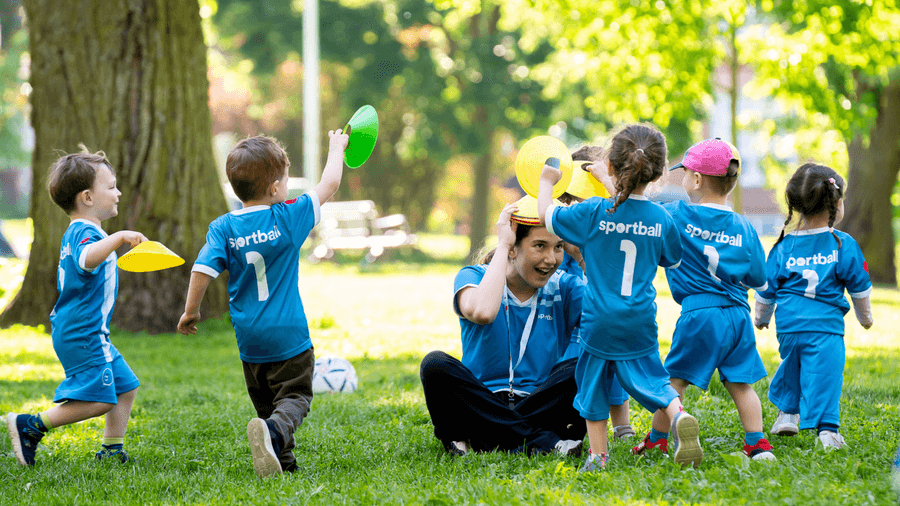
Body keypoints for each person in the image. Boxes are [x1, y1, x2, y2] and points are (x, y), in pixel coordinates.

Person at [177, 131, 349, 477]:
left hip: (250, 340)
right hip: (289, 335)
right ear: (274, 188)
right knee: (296, 397)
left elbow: (201, 270)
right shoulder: (287, 217)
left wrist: (191, 310)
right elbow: (329, 184)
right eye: (285, 180)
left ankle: (281, 462)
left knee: (267, 402)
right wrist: (335, 148)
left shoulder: (223, 228)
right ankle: (271, 433)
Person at [538, 123, 702, 472]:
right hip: (640, 319)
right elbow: (671, 258)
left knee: (593, 385)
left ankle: (598, 456)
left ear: (611, 167)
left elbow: (548, 218)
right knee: (654, 378)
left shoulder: (594, 212)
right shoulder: (661, 217)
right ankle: (678, 414)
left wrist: (546, 184)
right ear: (657, 172)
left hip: (598, 321)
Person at [634, 138, 775, 461]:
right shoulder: (744, 225)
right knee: (741, 384)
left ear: (696, 180)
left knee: (673, 383)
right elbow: (758, 278)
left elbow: (648, 230)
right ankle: (757, 443)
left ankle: (657, 438)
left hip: (699, 314)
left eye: (684, 173)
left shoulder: (673, 215)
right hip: (738, 315)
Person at [6, 148, 147, 466]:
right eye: (111, 186)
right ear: (87, 197)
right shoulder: (83, 232)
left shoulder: (87, 231)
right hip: (82, 331)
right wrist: (120, 236)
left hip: (88, 329)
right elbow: (86, 259)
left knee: (125, 387)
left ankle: (111, 451)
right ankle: (31, 425)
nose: (118, 192)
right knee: (98, 400)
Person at [419, 203, 588, 456]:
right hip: (479, 401)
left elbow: (612, 322)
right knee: (434, 365)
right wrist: (502, 245)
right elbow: (483, 313)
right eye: (539, 246)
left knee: (586, 364)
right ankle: (545, 442)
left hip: (540, 403)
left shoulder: (565, 286)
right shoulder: (473, 276)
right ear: (512, 249)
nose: (551, 259)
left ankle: (480, 437)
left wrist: (581, 255)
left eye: (558, 247)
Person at [754, 163, 873, 450]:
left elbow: (766, 288)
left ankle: (787, 414)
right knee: (825, 376)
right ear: (835, 204)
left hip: (790, 327)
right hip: (826, 329)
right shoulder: (842, 244)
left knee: (791, 366)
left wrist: (760, 317)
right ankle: (828, 430)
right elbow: (859, 287)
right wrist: (865, 318)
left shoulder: (784, 246)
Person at [557, 145, 634, 442]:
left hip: (608, 323)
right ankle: (583, 421)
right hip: (570, 336)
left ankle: (622, 424)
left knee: (612, 346)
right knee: (582, 357)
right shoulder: (561, 245)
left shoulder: (615, 233)